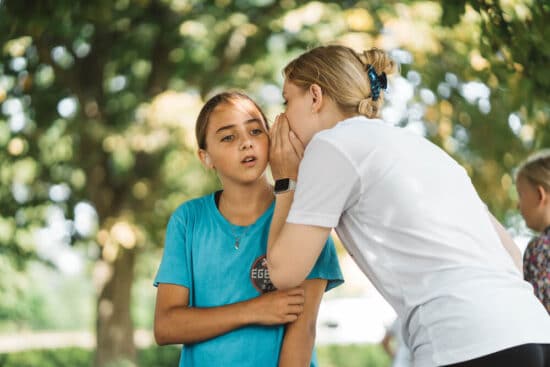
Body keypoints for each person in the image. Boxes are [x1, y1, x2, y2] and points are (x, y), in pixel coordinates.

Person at [265, 45, 550, 367]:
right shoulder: (425, 149)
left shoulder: (331, 145)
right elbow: (511, 255)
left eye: (287, 100)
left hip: (465, 343)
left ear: (315, 96)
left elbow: (284, 273)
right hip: (533, 331)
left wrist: (286, 181)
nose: (283, 116)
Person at [153, 91, 343, 367]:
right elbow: (167, 325)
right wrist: (255, 310)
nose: (246, 143)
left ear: (270, 138)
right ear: (206, 157)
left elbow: (304, 332)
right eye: (228, 137)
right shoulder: (188, 220)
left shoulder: (304, 216)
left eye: (255, 130)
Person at [516, 149, 550, 314]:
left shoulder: (539, 250)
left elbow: (538, 315)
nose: (517, 205)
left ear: (540, 194)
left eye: (520, 195)